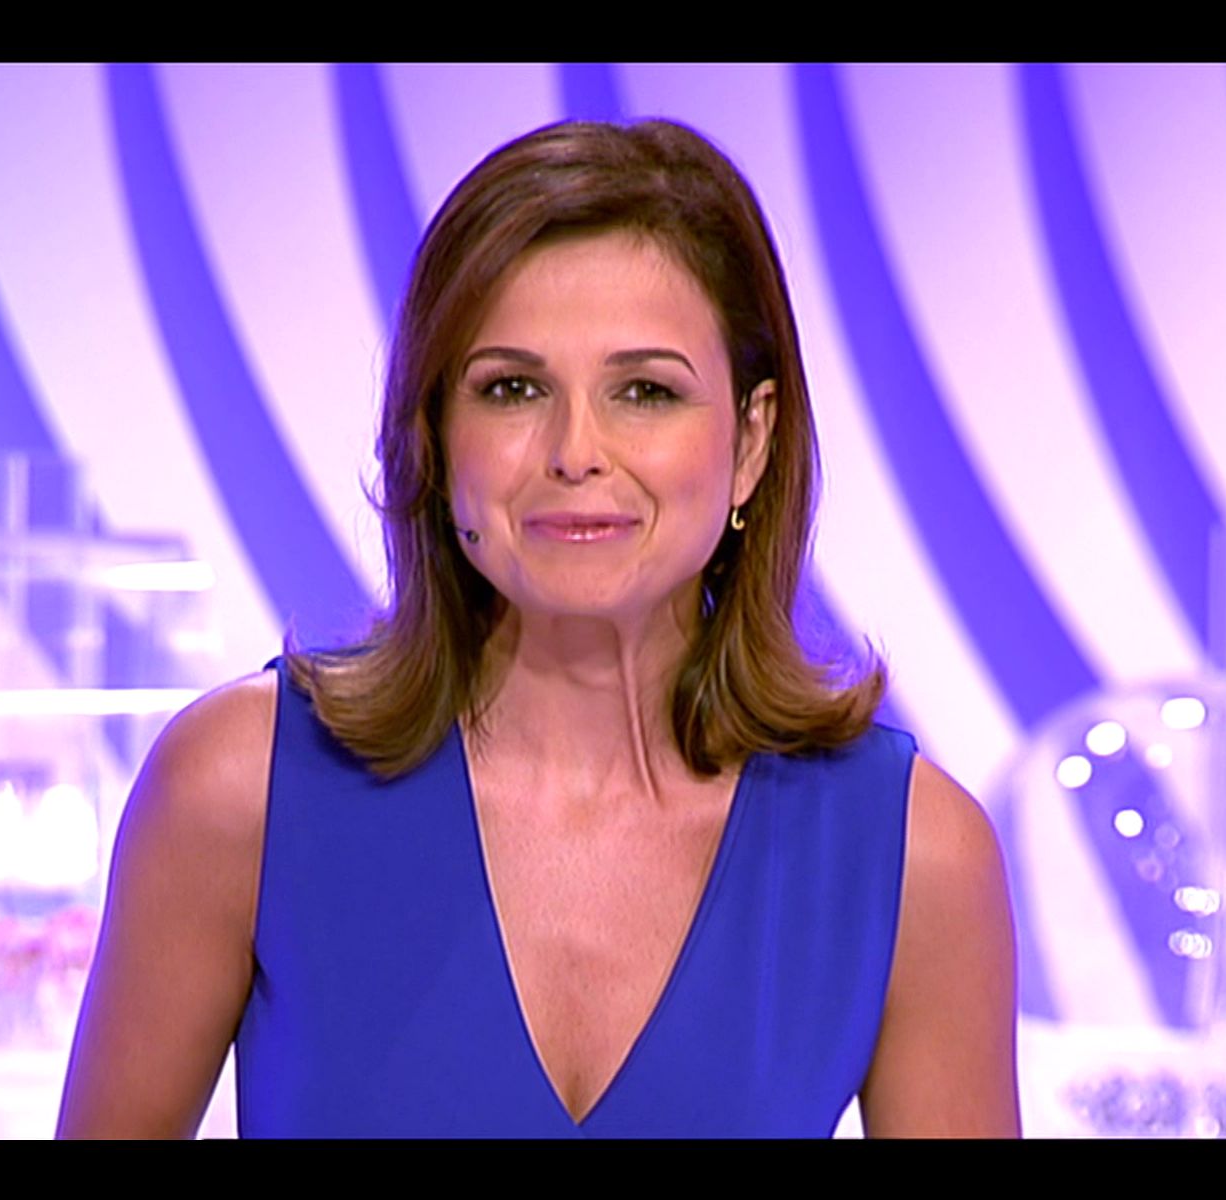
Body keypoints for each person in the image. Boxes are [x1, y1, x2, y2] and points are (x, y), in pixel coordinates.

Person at [57, 118, 1020, 1138]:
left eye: (645, 391)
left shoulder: (912, 856)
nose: (575, 451)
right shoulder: (238, 791)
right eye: (513, 389)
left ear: (751, 441)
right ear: (435, 436)